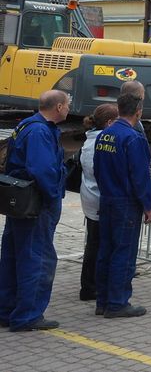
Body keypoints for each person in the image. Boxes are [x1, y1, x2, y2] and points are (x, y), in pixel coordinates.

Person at [0, 90, 70, 331]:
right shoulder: (40, 131)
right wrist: (52, 197)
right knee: (37, 260)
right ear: (59, 107)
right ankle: (27, 315)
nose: (69, 109)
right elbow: (42, 169)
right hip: (35, 204)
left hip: (20, 202)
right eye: (67, 105)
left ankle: (7, 311)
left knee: (13, 258)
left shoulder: (27, 125)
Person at [93, 92, 151, 318]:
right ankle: (117, 302)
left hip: (107, 198)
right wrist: (148, 206)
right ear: (139, 111)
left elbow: (97, 169)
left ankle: (103, 301)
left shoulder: (105, 135)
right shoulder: (133, 138)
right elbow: (140, 177)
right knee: (123, 253)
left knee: (106, 251)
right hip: (125, 202)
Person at [78, 103, 120, 303]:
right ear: (110, 122)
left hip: (90, 196)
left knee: (94, 243)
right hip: (98, 199)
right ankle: (90, 286)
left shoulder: (89, 140)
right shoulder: (99, 142)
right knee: (96, 245)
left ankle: (90, 284)